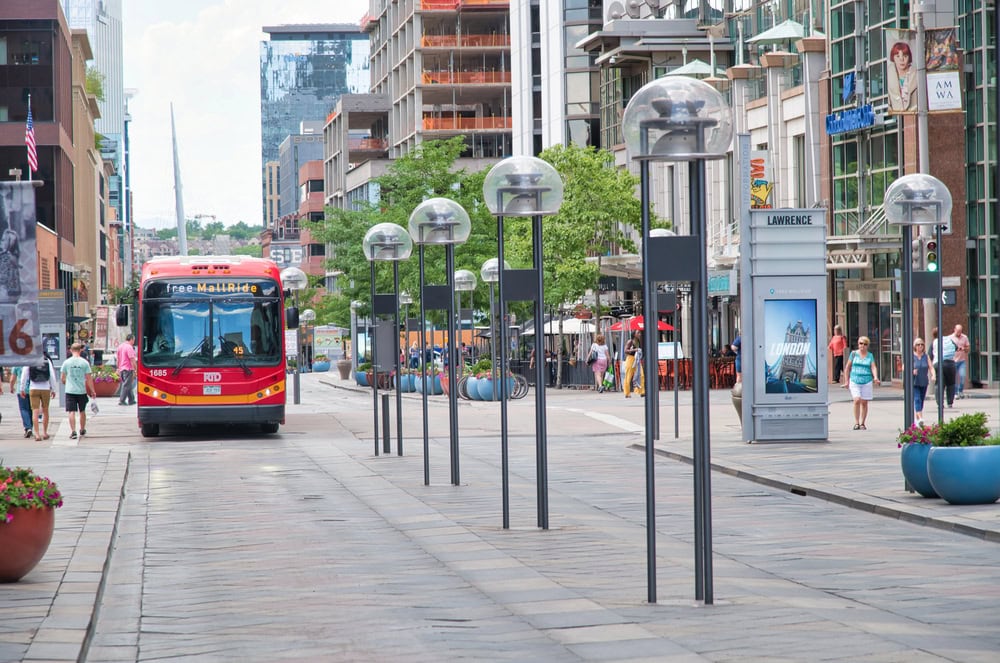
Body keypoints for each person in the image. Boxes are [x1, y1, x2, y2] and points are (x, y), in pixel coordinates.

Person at [61, 342, 97, 440]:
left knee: (71, 411)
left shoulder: (66, 362)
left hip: (70, 390)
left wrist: (66, 383)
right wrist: (92, 391)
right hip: (81, 391)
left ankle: (73, 431)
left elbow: (62, 378)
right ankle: (82, 428)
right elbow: (89, 378)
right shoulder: (84, 362)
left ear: (71, 350)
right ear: (80, 350)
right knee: (82, 411)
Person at [843, 335, 880, 430]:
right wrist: (846, 381)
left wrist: (875, 377)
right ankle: (856, 422)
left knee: (864, 402)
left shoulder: (870, 355)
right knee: (857, 400)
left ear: (867, 346)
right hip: (854, 380)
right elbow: (847, 368)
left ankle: (862, 423)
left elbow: (873, 367)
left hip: (866, 381)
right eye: (860, 343)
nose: (862, 346)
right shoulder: (853, 354)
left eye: (865, 344)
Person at [20, 353, 59, 441]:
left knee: (35, 411)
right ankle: (45, 433)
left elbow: (24, 375)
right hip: (45, 388)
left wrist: (22, 388)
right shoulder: (47, 360)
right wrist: (53, 389)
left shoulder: (30, 361)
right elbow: (52, 376)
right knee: (45, 410)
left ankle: (37, 434)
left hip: (33, 388)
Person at [887, 40, 917, 113]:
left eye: (905, 56)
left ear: (909, 57)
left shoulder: (917, 75)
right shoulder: (888, 76)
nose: (901, 59)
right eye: (898, 56)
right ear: (893, 58)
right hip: (895, 116)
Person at [912, 338, 935, 426]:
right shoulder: (911, 356)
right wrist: (912, 371)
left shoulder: (926, 356)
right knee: (917, 399)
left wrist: (933, 375)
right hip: (914, 382)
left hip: (923, 381)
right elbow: (904, 367)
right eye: (918, 344)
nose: (920, 346)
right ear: (915, 346)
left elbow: (931, 367)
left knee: (921, 401)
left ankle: (917, 420)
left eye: (922, 344)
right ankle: (920, 418)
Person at [9, 365, 34, 438]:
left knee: (23, 409)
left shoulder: (17, 365)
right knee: (31, 409)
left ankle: (28, 427)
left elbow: (12, 379)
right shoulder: (31, 362)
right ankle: (30, 427)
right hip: (32, 388)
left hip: (21, 390)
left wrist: (11, 387)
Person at [950, 324, 971, 399]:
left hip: (962, 360)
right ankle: (955, 392)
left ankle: (960, 390)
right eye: (958, 331)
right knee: (954, 377)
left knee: (962, 376)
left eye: (960, 331)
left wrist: (964, 348)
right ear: (954, 330)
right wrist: (956, 349)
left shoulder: (964, 337)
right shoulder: (950, 338)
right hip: (953, 361)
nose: (959, 333)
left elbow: (968, 348)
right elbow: (949, 349)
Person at [116, 334, 137, 406]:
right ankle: (122, 400)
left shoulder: (120, 346)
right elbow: (132, 359)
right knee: (126, 385)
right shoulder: (129, 347)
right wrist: (135, 369)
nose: (134, 342)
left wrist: (118, 368)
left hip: (122, 368)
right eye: (133, 340)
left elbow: (118, 359)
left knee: (128, 385)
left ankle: (131, 399)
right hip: (128, 368)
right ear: (131, 339)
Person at [623, 331, 644, 398]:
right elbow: (625, 350)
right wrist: (634, 350)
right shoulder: (630, 341)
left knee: (641, 375)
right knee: (628, 376)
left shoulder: (639, 341)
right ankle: (627, 393)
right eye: (638, 333)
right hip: (630, 359)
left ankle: (641, 391)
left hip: (637, 359)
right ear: (634, 334)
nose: (639, 334)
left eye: (639, 333)